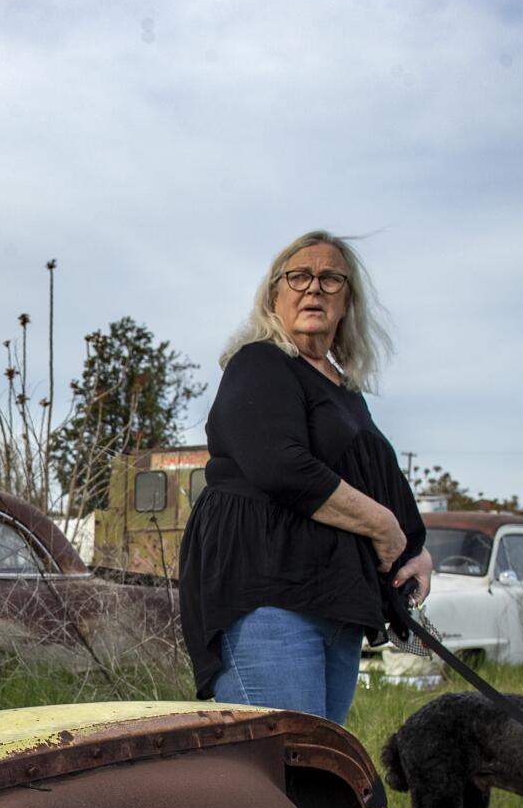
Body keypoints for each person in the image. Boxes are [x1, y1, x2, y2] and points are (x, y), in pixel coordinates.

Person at [177, 231, 432, 723]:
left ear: (347, 301)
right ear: (275, 295)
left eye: (330, 278)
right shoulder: (260, 363)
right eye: (299, 276)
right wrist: (383, 527)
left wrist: (415, 548)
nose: (313, 288)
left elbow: (378, 475)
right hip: (269, 592)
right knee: (285, 768)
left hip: (335, 599)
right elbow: (280, 465)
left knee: (321, 770)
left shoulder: (344, 390)